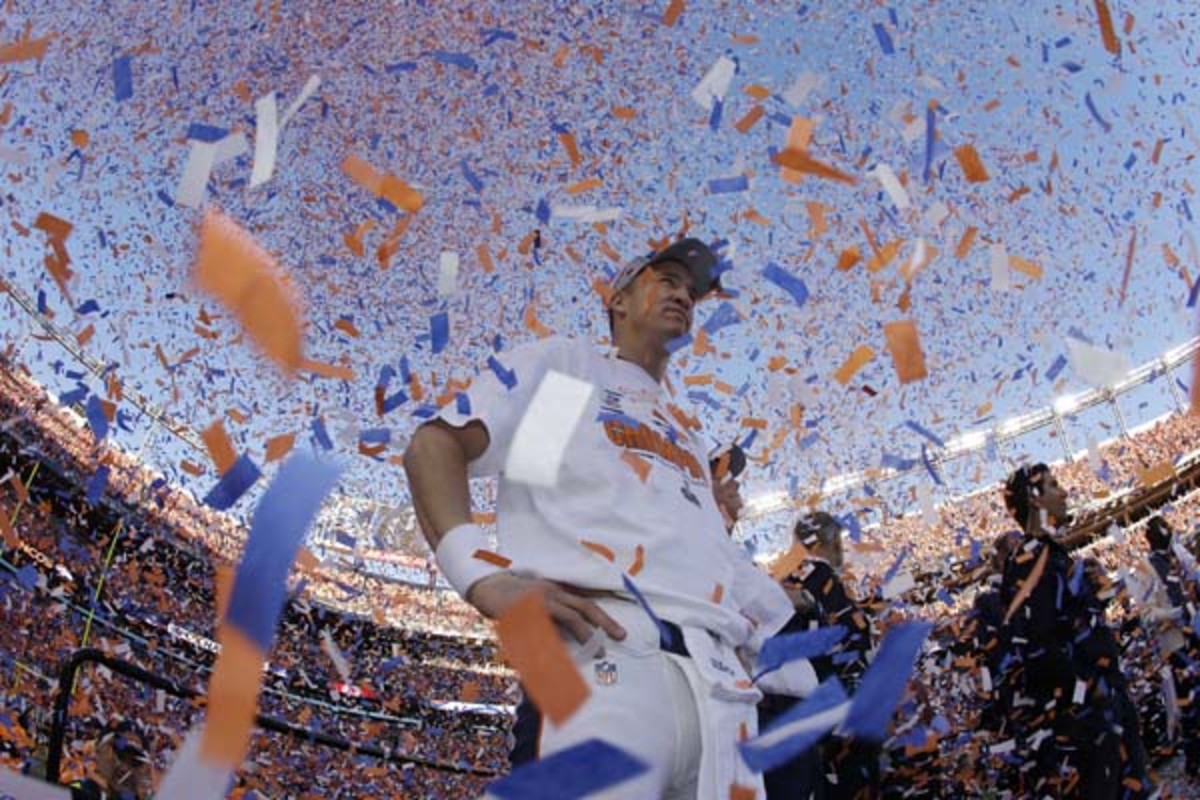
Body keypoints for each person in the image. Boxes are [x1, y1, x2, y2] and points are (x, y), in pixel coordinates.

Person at [404, 237, 802, 798]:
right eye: (666, 280)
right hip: (599, 649)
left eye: (691, 291)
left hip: (721, 684)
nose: (683, 296)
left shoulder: (684, 430)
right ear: (618, 301)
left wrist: (711, 523)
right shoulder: (573, 373)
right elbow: (436, 448)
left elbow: (583, 506)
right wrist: (483, 575)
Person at [997, 463, 1118, 799]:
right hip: (1079, 730)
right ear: (1036, 500)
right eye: (1054, 485)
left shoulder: (1050, 555)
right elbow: (1041, 649)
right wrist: (1089, 690)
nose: (1064, 492)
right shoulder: (1030, 562)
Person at [771, 512, 876, 800]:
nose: (841, 548)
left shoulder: (789, 578)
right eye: (837, 540)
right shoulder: (815, 573)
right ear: (822, 542)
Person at [1142, 515, 1200, 776]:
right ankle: (1193, 758)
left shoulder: (1177, 552)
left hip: (1194, 629)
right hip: (1174, 641)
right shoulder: (1145, 567)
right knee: (1188, 698)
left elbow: (1195, 573)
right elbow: (1146, 613)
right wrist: (1172, 613)